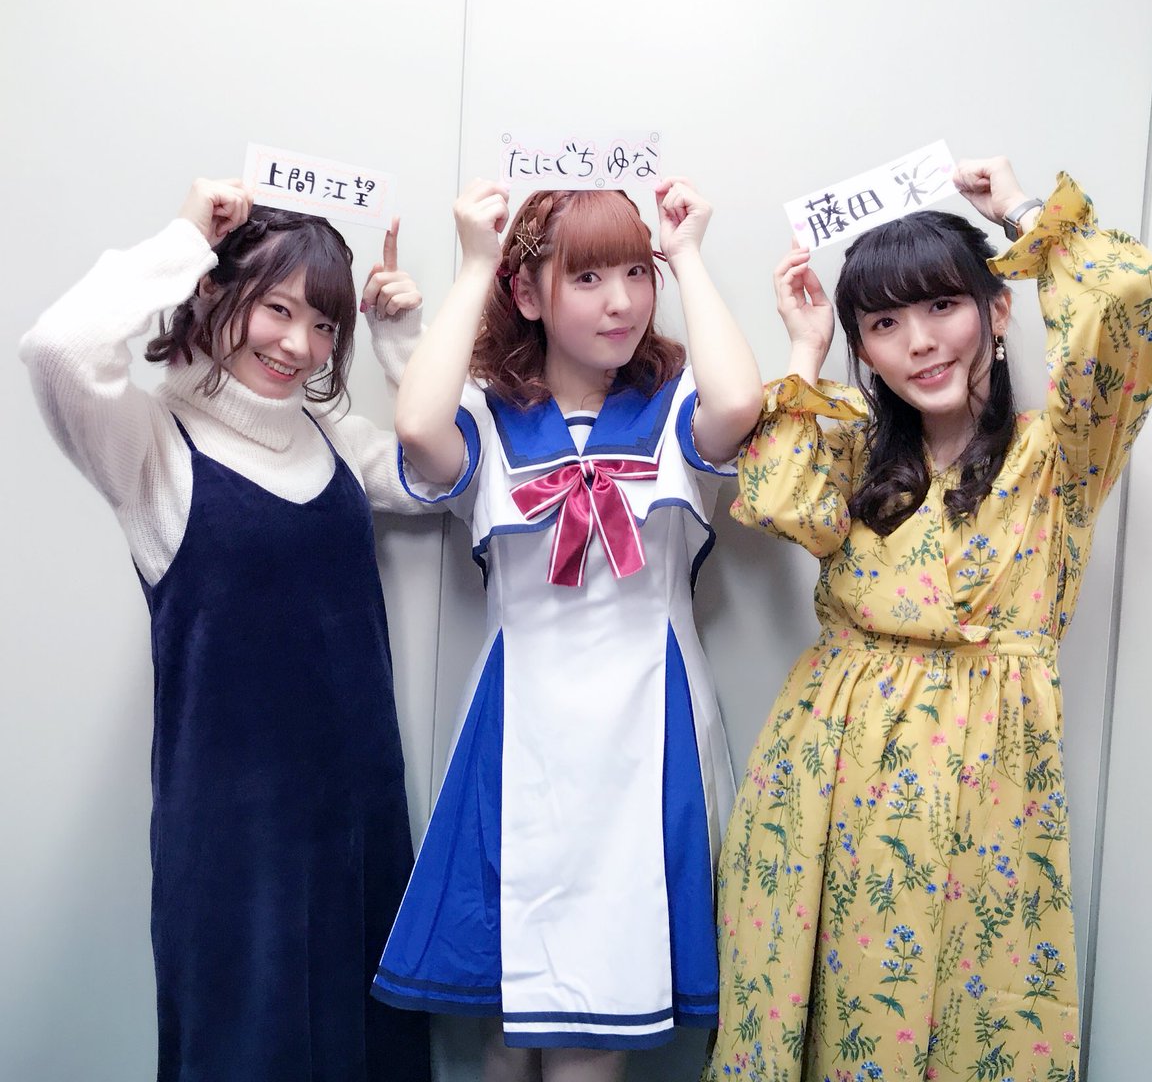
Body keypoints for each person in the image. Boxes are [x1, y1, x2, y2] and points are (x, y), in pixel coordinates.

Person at [703, 157, 1152, 1082]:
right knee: (813, 1005)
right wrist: (803, 347)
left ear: (998, 311)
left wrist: (1022, 212)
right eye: (883, 324)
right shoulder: (856, 451)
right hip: (823, 773)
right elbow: (777, 496)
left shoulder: (1061, 452)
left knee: (974, 1010)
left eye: (943, 306)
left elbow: (1125, 300)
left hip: (984, 783)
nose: (918, 343)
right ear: (863, 349)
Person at [19, 178, 432, 1082]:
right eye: (277, 309)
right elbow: (57, 348)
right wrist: (184, 238)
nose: (299, 345)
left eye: (323, 324)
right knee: (246, 1051)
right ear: (213, 290)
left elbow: (442, 473)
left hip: (360, 819)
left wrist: (403, 344)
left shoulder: (328, 436)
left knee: (373, 1049)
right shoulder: (153, 449)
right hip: (234, 837)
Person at [371, 179, 762, 1081]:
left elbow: (740, 405)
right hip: (519, 733)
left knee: (595, 1034)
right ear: (528, 293)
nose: (621, 301)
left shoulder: (677, 405)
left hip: (649, 733)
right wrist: (477, 260)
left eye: (636, 273)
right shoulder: (487, 416)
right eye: (586, 278)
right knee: (506, 1033)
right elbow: (418, 424)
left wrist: (688, 252)